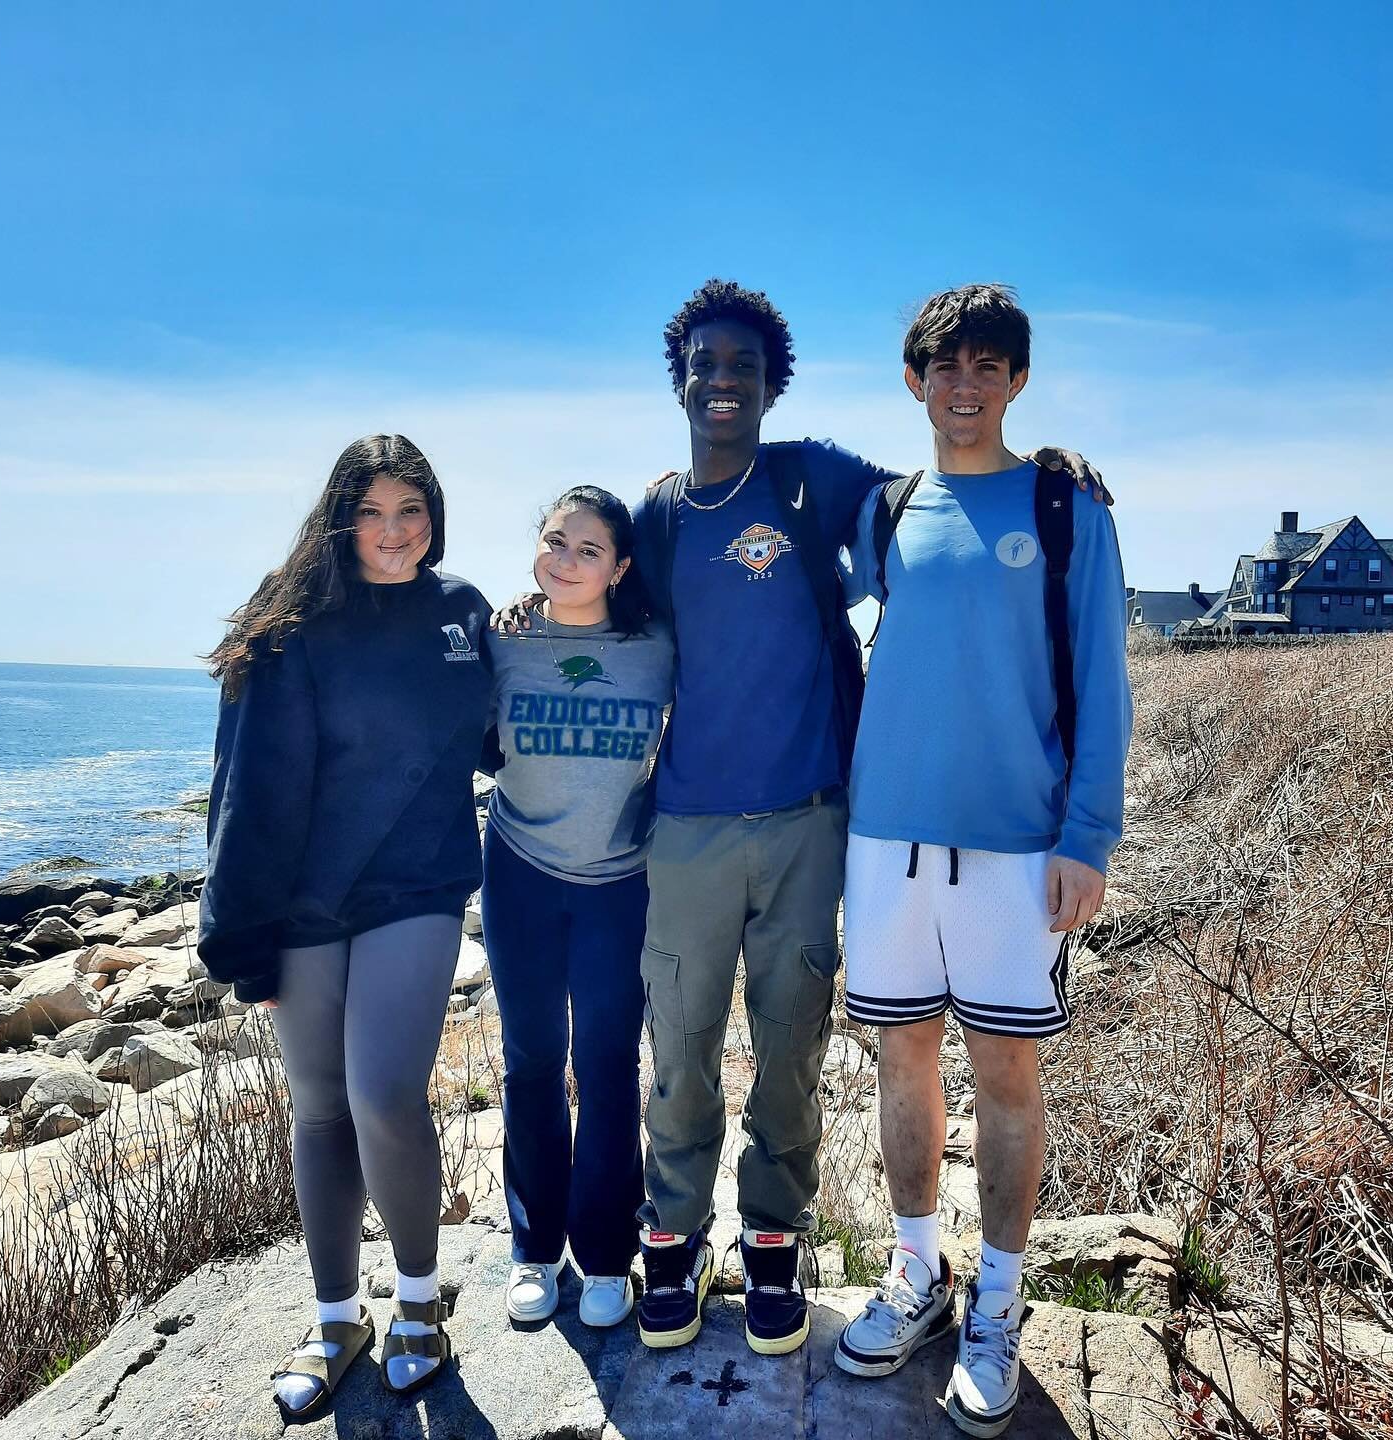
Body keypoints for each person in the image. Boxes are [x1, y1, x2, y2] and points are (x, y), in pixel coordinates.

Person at [625, 278, 1104, 1359]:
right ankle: (716, 1238)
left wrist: (1089, 834)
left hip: (866, 827)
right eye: (705, 366)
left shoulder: (838, 484)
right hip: (773, 828)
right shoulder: (680, 515)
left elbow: (1081, 657)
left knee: (848, 1056)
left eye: (742, 368)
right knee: (734, 1049)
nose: (723, 384)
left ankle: (851, 1258)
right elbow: (600, 604)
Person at [832, 286, 1132, 1438]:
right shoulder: (886, 510)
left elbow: (1104, 684)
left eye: (989, 366)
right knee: (900, 1062)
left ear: (1016, 381)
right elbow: (776, 594)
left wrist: (1086, 839)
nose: (966, 385)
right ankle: (919, 1277)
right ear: (915, 380)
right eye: (945, 366)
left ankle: (998, 1309)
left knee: (1007, 1081)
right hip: (886, 837)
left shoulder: (1067, 510)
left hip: (1019, 850)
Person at [198, 435, 492, 1421]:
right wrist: (240, 931)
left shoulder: (462, 615)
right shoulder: (287, 626)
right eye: (371, 512)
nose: (393, 532)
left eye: (410, 511)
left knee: (384, 1096)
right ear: (340, 519)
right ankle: (335, 1318)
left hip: (418, 889)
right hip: (304, 901)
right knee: (319, 1107)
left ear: (434, 517)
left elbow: (501, 733)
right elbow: (240, 789)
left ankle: (417, 1304)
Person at [479, 486, 673, 1330]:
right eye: (555, 541)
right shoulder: (505, 640)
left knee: (605, 1067)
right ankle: (533, 1248)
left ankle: (603, 1256)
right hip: (519, 871)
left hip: (619, 883)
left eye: (587, 550)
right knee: (529, 1062)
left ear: (621, 566)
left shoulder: (656, 645)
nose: (564, 561)